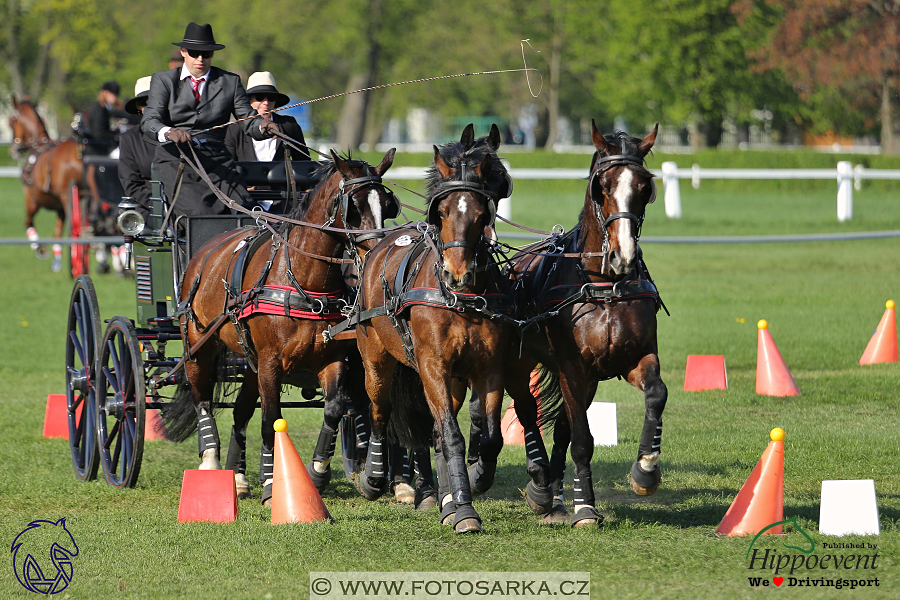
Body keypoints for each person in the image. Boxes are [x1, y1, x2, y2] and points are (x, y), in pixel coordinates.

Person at [141, 22, 279, 217]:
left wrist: (264, 126)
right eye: (194, 52)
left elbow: (248, 119)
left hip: (217, 162)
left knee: (246, 212)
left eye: (206, 54)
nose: (200, 58)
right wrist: (169, 132)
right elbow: (150, 121)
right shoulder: (163, 81)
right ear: (183, 51)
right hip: (176, 160)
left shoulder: (230, 82)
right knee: (201, 216)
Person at [224, 71, 309, 162]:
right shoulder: (233, 130)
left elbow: (304, 163)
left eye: (271, 98)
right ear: (248, 100)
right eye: (259, 97)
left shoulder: (289, 125)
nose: (266, 102)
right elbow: (229, 167)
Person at [118, 76, 156, 219]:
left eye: (154, 101)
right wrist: (161, 205)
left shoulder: (179, 133)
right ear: (139, 108)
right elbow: (131, 184)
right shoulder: (130, 139)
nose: (150, 107)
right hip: (150, 209)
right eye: (144, 103)